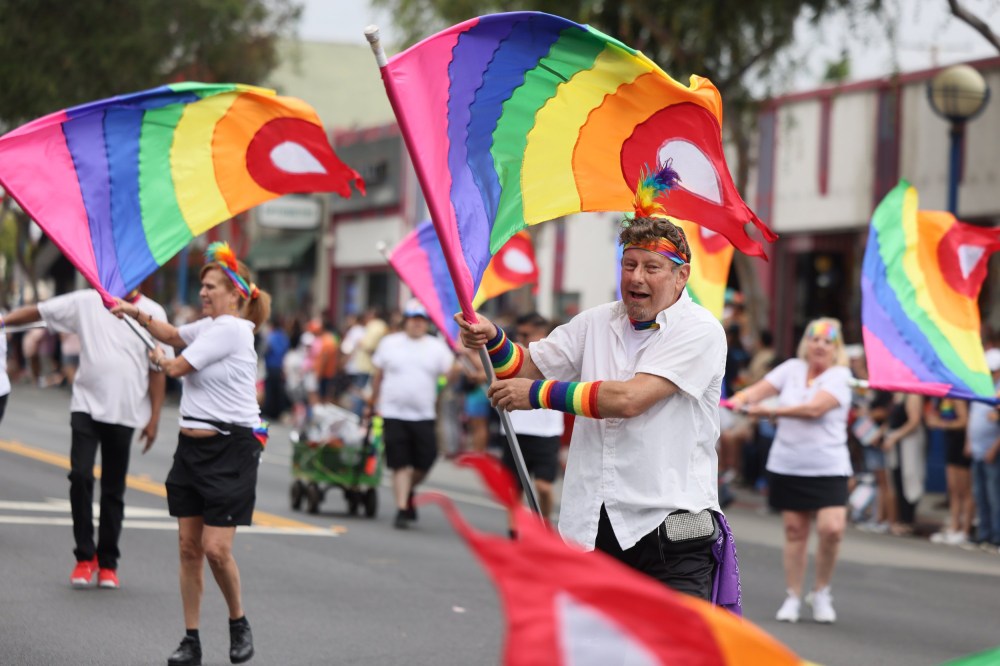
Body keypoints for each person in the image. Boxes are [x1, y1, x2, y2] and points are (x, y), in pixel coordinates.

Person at [457, 215, 732, 604]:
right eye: (629, 264)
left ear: (681, 275)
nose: (636, 277)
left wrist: (538, 395)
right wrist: (492, 337)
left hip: (673, 530)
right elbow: (524, 366)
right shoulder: (596, 321)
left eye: (651, 267)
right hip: (597, 525)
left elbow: (629, 399)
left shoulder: (700, 329)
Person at [112, 242, 268, 666]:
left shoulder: (233, 329)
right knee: (188, 547)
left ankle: (238, 621)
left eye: (211, 286)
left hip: (231, 448)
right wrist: (132, 312)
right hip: (191, 450)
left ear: (235, 294)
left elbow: (177, 365)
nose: (203, 292)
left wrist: (161, 361)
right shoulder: (208, 326)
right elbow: (173, 335)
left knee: (216, 548)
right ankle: (191, 641)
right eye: (201, 285)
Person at [3, 288, 168, 589]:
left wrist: (154, 418)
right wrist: (4, 321)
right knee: (80, 476)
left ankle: (107, 563)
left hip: (125, 411)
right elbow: (41, 311)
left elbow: (158, 371)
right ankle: (84, 556)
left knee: (113, 489)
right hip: (86, 406)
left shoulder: (152, 312)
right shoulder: (88, 300)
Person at [730, 318, 852, 624]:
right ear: (806, 343)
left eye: (827, 341)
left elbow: (814, 409)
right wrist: (739, 400)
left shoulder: (841, 376)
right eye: (814, 339)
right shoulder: (791, 369)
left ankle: (821, 591)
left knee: (831, 529)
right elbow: (757, 390)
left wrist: (770, 410)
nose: (819, 346)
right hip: (789, 463)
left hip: (829, 466)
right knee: (795, 532)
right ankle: (793, 596)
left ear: (836, 348)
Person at [368, 299, 454, 530]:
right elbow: (379, 375)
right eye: (413, 320)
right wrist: (372, 401)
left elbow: (450, 373)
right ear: (405, 321)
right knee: (400, 463)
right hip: (393, 412)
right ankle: (402, 507)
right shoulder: (390, 343)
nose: (417, 324)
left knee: (426, 459)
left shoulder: (437, 347)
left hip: (423, 414)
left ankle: (408, 490)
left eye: (421, 320)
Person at [499, 312, 564, 526]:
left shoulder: (559, 353)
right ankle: (514, 529)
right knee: (514, 486)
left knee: (544, 487)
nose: (521, 338)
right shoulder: (513, 353)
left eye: (526, 333)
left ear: (541, 332)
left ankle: (543, 525)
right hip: (514, 429)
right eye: (519, 333)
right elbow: (490, 372)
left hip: (547, 432)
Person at [926, 397, 973, 546]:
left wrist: (941, 423)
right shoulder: (941, 399)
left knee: (965, 490)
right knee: (953, 489)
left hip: (961, 445)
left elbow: (964, 421)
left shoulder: (959, 398)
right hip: (950, 444)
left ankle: (965, 531)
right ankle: (954, 527)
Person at [968, 348, 1000, 552]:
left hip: (992, 452)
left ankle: (996, 537)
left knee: (994, 495)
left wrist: (993, 449)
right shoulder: (982, 387)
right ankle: (984, 534)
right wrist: (969, 443)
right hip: (978, 449)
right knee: (980, 494)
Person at [882, 392, 926, 537]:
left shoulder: (913, 395)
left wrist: (896, 436)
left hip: (908, 444)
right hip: (896, 445)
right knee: (897, 480)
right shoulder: (897, 395)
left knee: (909, 478)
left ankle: (907, 521)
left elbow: (914, 421)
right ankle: (898, 520)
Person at [261, 316, 289, 420]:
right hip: (280, 366)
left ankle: (269, 411)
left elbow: (266, 349)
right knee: (278, 390)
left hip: (271, 366)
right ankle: (278, 412)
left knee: (270, 389)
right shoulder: (283, 336)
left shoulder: (271, 336)